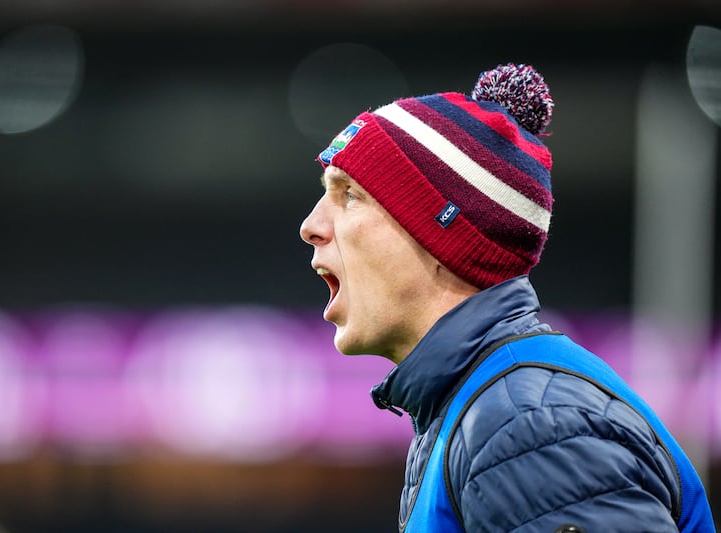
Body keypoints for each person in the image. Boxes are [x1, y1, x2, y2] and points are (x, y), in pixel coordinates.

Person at [299, 63, 716, 532]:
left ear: (440, 236)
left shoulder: (528, 426)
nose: (311, 226)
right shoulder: (488, 408)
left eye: (350, 194)